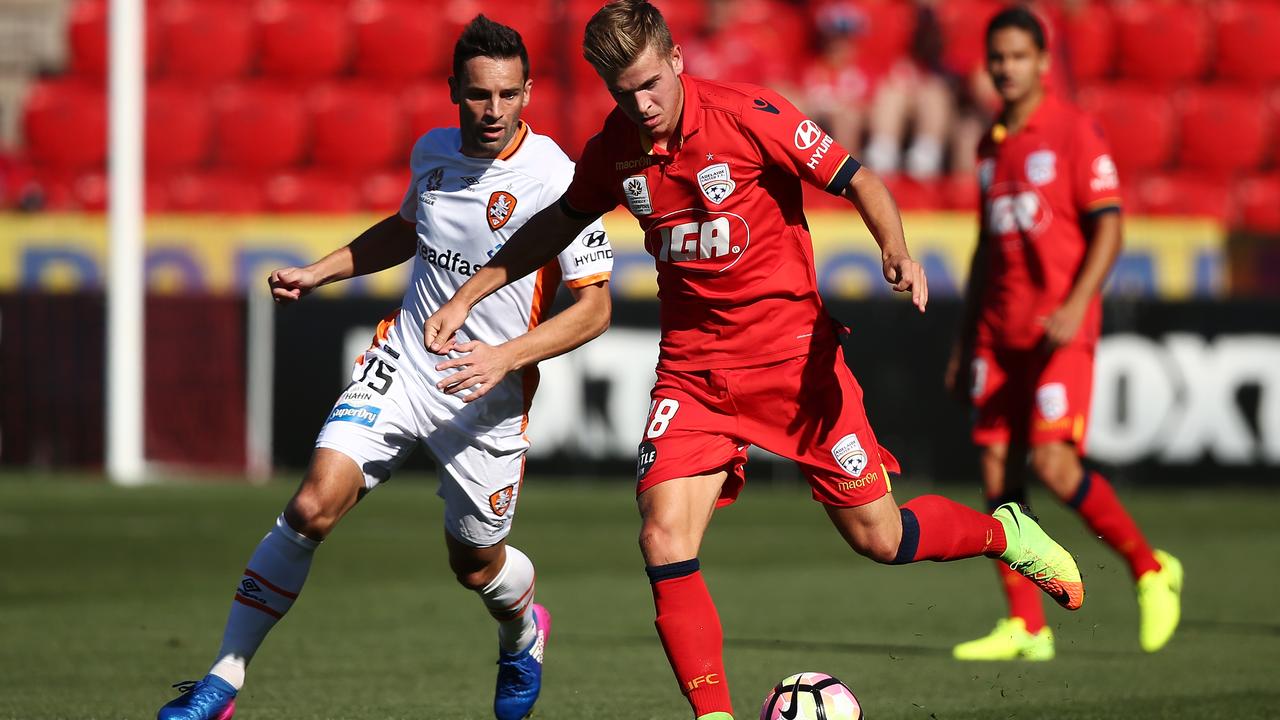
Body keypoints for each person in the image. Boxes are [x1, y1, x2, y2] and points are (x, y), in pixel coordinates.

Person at [426, 2, 1083, 718]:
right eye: (623, 93)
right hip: (693, 374)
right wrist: (469, 295)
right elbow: (553, 225)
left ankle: (1004, 533)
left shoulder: (750, 115)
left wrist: (895, 249)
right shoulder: (615, 148)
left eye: (650, 84)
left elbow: (858, 177)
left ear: (676, 60)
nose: (641, 105)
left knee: (882, 537)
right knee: (661, 535)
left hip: (794, 362)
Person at [155, 16, 614, 720]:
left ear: (528, 92)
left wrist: (503, 357)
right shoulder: (432, 152)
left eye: (508, 95)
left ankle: (522, 632)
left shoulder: (560, 179)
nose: (493, 112)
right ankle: (222, 683)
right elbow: (406, 231)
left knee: (476, 566)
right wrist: (321, 271)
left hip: (486, 395)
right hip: (404, 361)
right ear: (453, 91)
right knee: (311, 506)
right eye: (478, 95)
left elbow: (595, 311)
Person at [946, 7, 1182, 662]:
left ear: (1044, 63)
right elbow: (985, 249)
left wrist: (1080, 301)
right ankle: (1027, 625)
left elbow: (1109, 224)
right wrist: (966, 337)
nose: (1006, 69)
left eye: (1019, 57)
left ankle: (1149, 569)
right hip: (998, 332)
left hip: (1058, 329)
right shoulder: (991, 144)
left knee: (1052, 464)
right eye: (998, 58)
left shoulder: (1074, 132)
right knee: (998, 475)